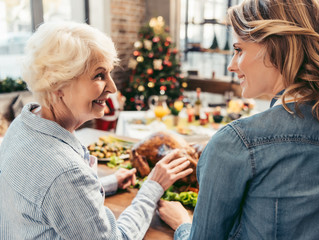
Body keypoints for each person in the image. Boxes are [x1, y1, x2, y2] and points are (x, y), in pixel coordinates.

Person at [158, 0, 319, 239]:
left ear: (277, 47)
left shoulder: (234, 144)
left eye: (239, 49)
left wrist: (183, 225)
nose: (232, 65)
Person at [0, 21, 193, 239]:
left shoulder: (22, 125)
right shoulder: (66, 173)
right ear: (58, 84)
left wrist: (106, 184)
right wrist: (152, 187)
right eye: (99, 75)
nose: (112, 87)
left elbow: (49, 197)